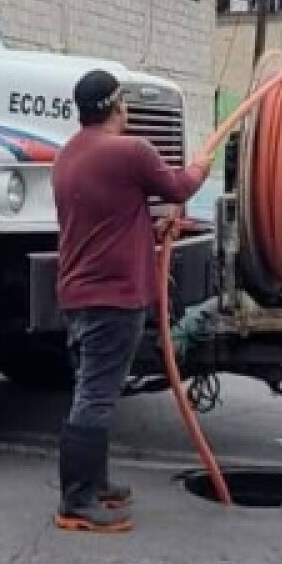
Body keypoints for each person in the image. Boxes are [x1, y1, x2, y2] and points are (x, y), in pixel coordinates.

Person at [48, 68, 209, 534]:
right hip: (113, 296)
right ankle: (76, 503)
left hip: (78, 294)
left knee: (90, 390)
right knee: (95, 396)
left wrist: (150, 229)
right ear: (120, 107)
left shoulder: (67, 157)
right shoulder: (129, 151)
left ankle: (94, 486)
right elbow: (179, 188)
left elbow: (104, 219)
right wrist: (202, 165)